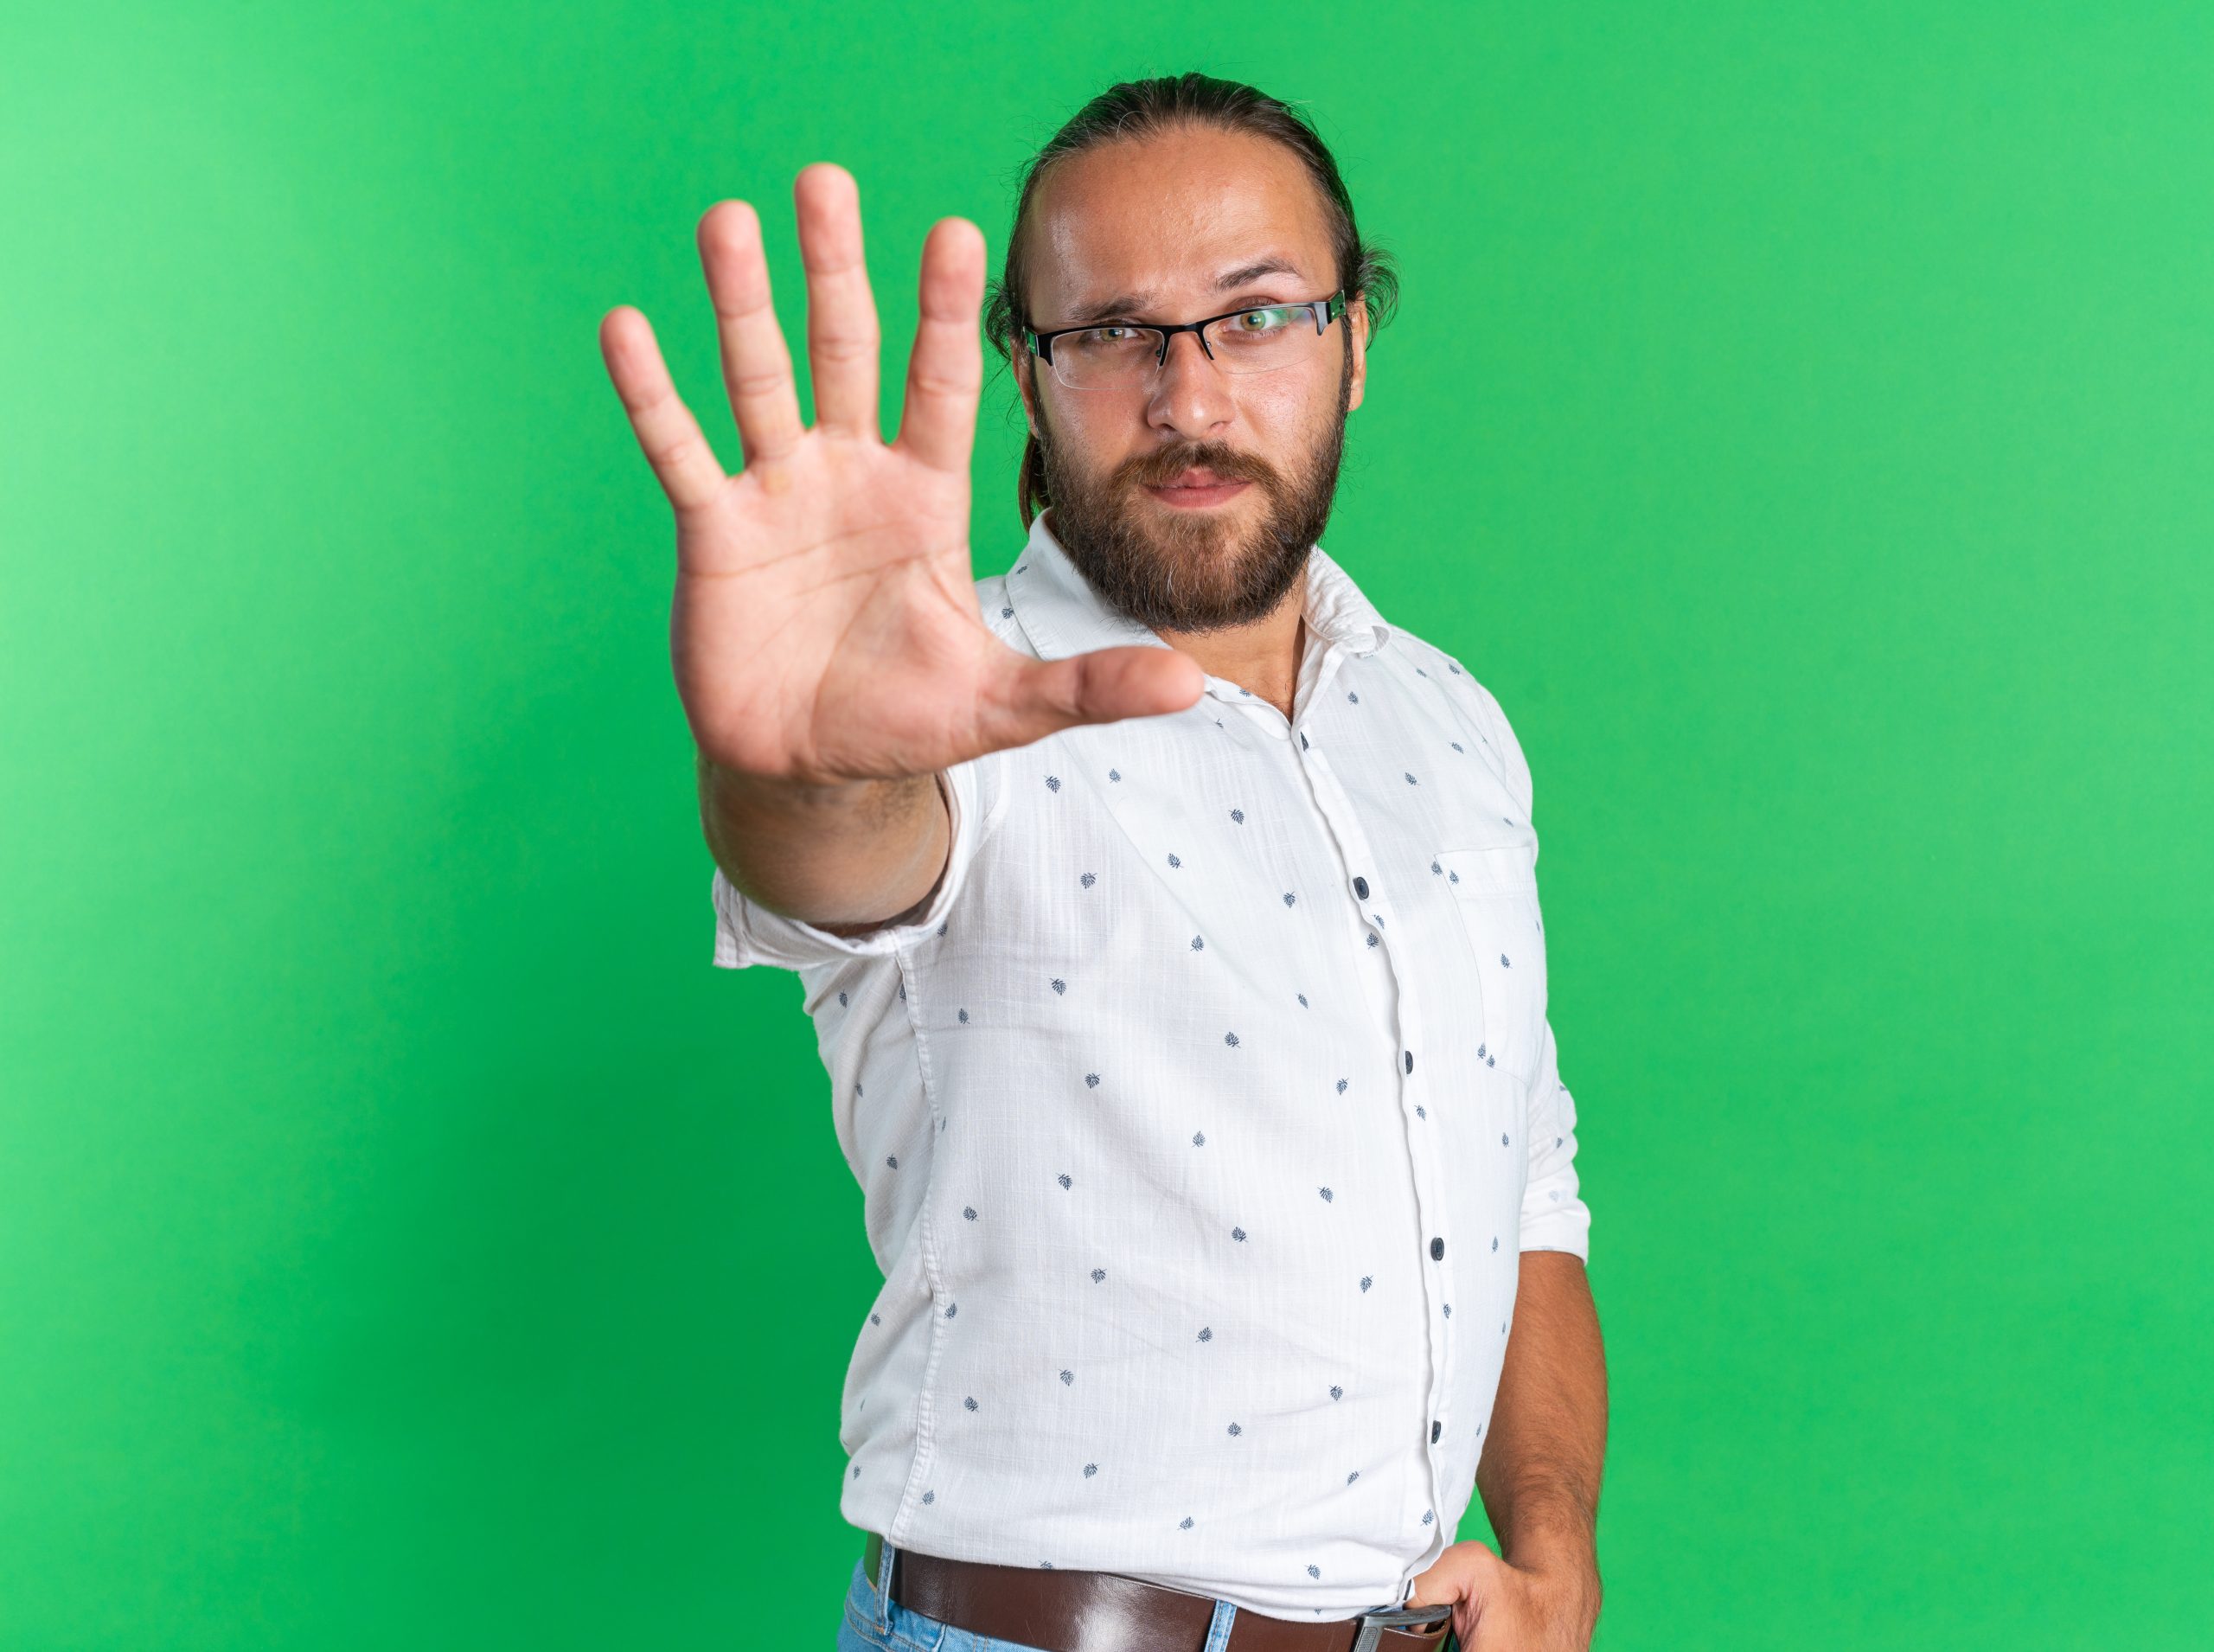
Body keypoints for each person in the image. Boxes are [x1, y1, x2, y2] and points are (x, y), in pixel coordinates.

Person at [598, 71, 1605, 1652]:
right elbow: (839, 853)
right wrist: (795, 756)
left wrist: (1552, 1547)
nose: (1189, 400)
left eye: (1256, 317)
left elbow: (1523, 1179)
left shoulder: (1450, 724)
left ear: (1355, 346)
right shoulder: (953, 707)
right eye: (1111, 333)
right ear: (1028, 370)